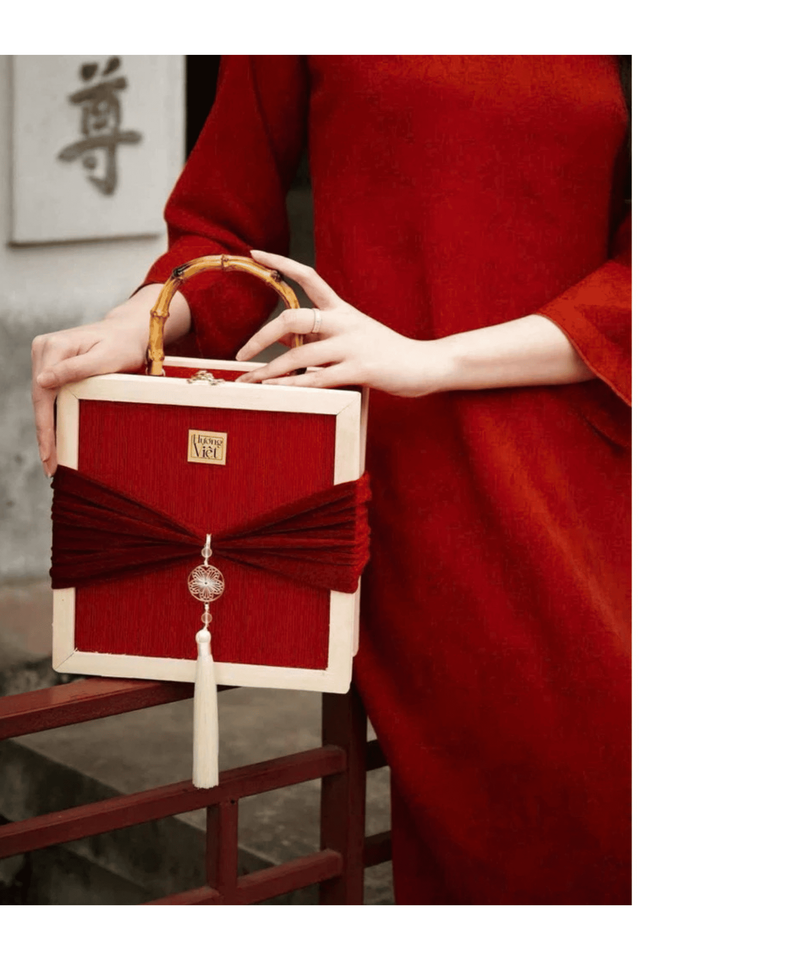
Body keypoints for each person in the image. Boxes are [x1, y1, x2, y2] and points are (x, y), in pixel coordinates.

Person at [32, 56, 631, 905]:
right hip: (435, 493)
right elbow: (219, 228)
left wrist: (435, 359)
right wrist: (141, 318)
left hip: (609, 459)